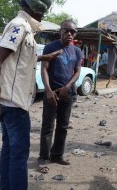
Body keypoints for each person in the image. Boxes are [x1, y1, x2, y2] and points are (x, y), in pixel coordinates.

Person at [0, 0, 61, 189]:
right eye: (42, 12)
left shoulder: (25, 28)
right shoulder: (20, 26)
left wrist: (46, 56)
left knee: (9, 152)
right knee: (18, 157)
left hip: (11, 103)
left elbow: (21, 57)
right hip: (13, 104)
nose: (43, 16)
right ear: (36, 9)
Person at [39, 20, 82, 167]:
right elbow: (44, 68)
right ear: (60, 31)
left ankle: (57, 155)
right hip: (52, 92)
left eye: (73, 31)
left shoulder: (77, 51)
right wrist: (48, 90)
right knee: (48, 126)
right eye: (66, 30)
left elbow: (77, 71)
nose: (69, 34)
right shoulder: (50, 47)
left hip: (67, 93)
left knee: (63, 126)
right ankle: (44, 157)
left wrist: (68, 87)